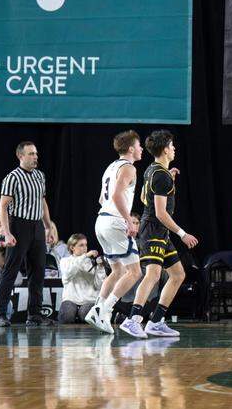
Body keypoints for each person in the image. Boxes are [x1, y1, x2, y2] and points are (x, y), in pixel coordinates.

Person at [121, 130, 198, 339]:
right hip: (153, 229)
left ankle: (155, 321)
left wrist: (169, 176)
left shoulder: (155, 170)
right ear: (165, 150)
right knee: (153, 274)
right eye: (172, 146)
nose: (174, 149)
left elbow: (153, 191)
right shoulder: (161, 175)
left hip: (159, 231)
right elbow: (160, 213)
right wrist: (183, 234)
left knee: (178, 274)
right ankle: (133, 319)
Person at [0, 141, 56, 327]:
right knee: (10, 271)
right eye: (30, 154)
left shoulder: (39, 176)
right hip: (18, 225)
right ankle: (0, 314)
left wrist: (48, 226)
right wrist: (6, 232)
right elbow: (3, 207)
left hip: (36, 226)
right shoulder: (12, 177)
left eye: (36, 153)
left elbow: (42, 201)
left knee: (38, 272)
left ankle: (34, 315)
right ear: (20, 156)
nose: (35, 157)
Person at [88, 130, 144, 334]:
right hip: (114, 221)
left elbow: (102, 199)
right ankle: (105, 309)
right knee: (134, 271)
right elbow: (117, 195)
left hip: (101, 219)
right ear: (131, 149)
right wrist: (129, 221)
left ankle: (98, 307)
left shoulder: (111, 166)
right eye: (139, 146)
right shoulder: (129, 167)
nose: (141, 149)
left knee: (118, 270)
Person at [59, 234, 106, 324]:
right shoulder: (65, 261)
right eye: (81, 245)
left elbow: (98, 285)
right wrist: (85, 256)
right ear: (72, 247)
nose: (85, 248)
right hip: (71, 299)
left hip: (89, 300)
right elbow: (68, 275)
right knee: (66, 316)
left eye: (86, 245)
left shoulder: (92, 262)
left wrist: (100, 268)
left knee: (86, 315)